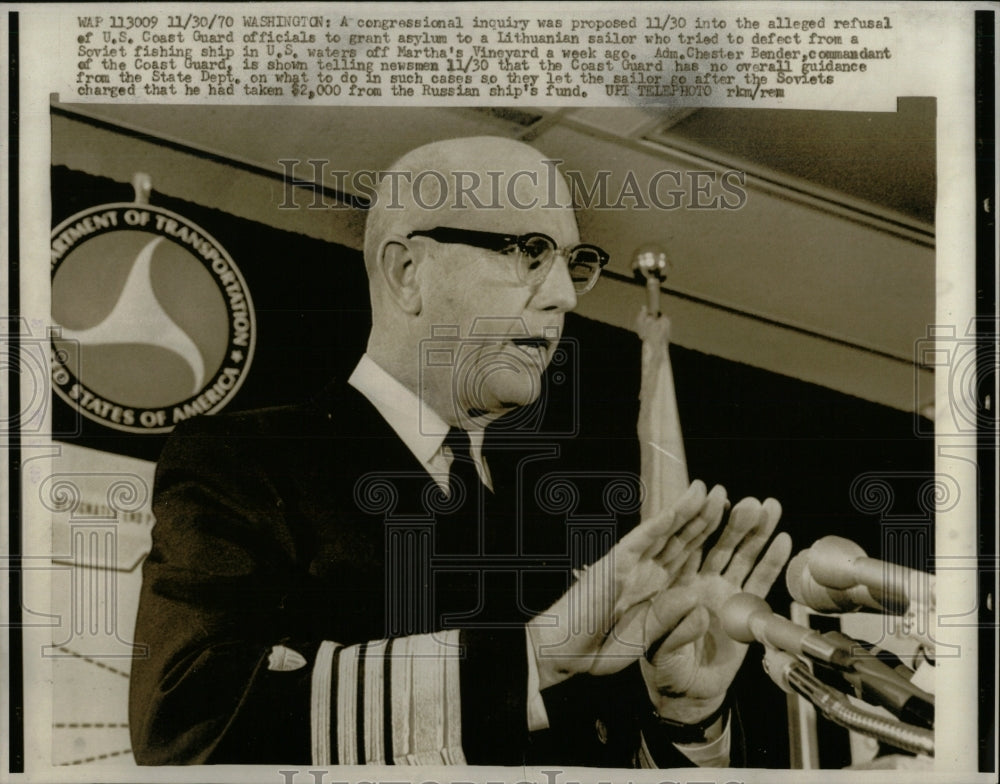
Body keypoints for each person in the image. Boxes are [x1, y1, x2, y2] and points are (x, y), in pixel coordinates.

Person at [129, 136, 791, 767]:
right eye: (530, 252)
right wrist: (532, 657)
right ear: (407, 272)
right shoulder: (247, 460)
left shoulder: (561, 533)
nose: (562, 296)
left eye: (572, 264)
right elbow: (189, 725)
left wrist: (686, 716)